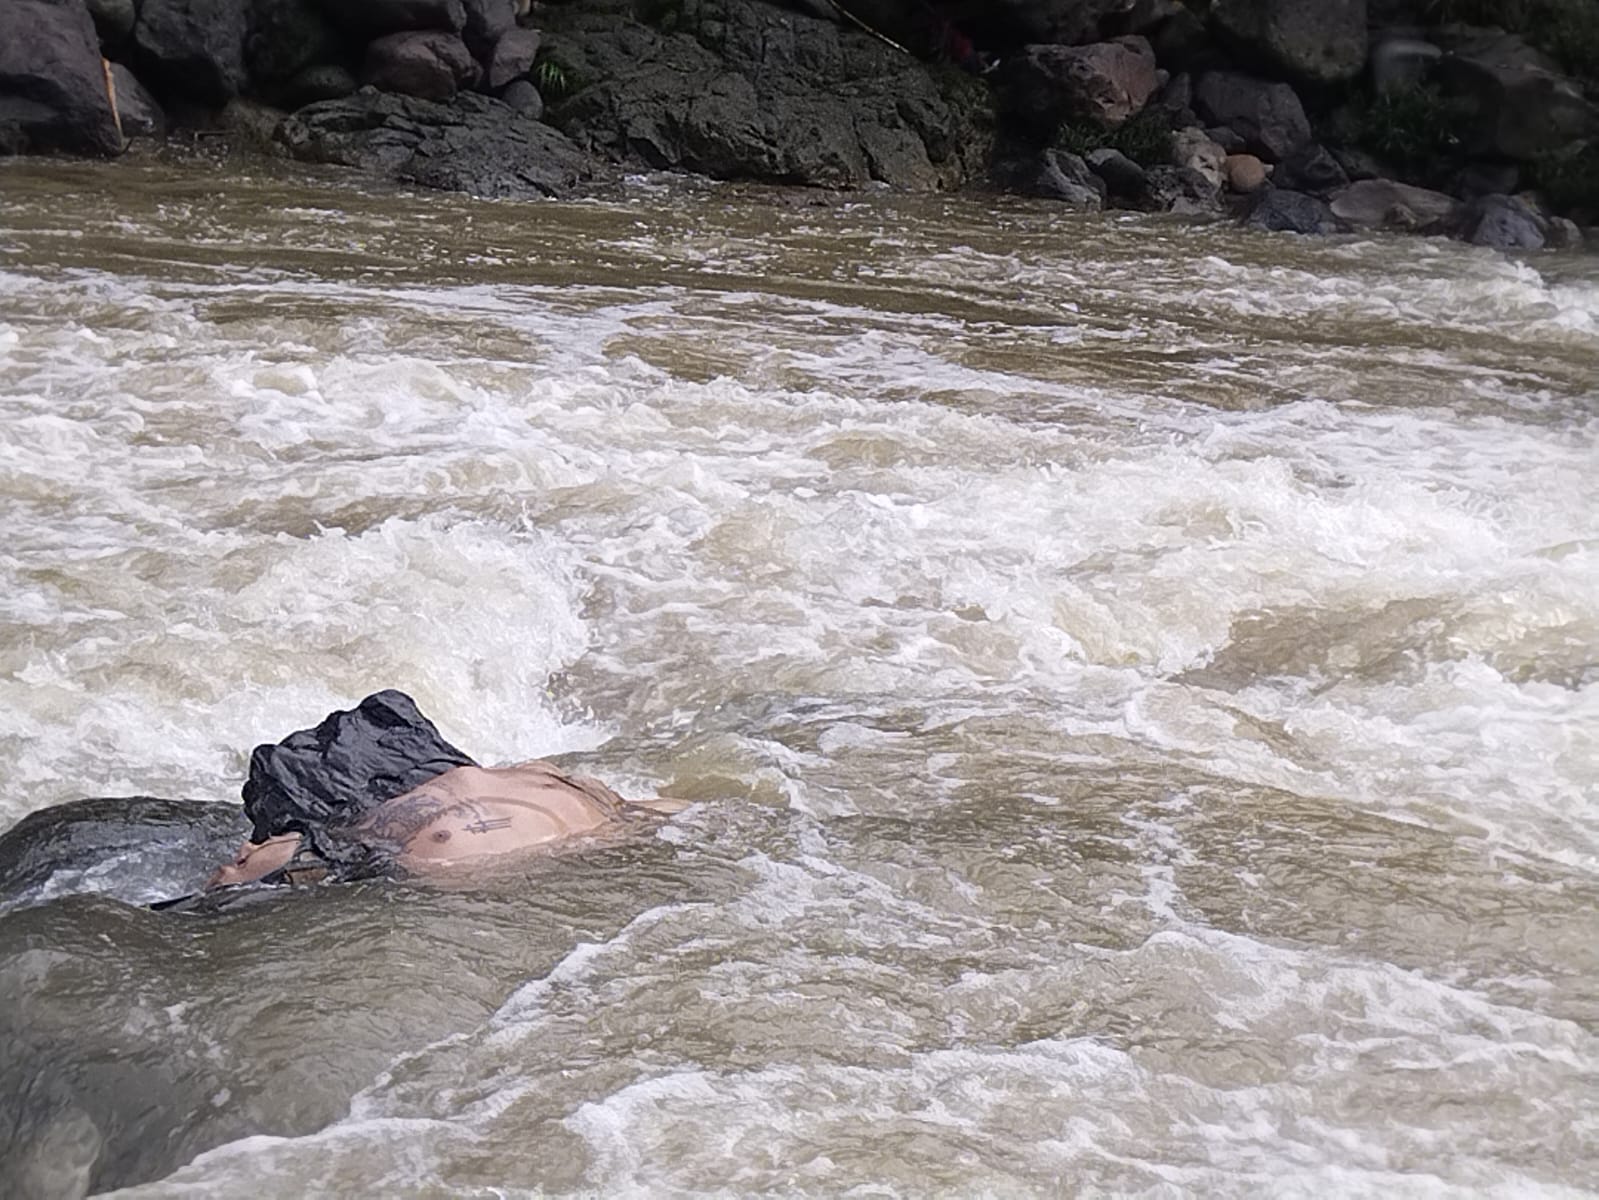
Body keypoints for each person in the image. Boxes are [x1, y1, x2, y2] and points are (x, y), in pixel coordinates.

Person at [203, 690, 679, 894]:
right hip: (566, 819)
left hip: (438, 849)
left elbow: (234, 878)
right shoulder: (560, 785)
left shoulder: (355, 836)